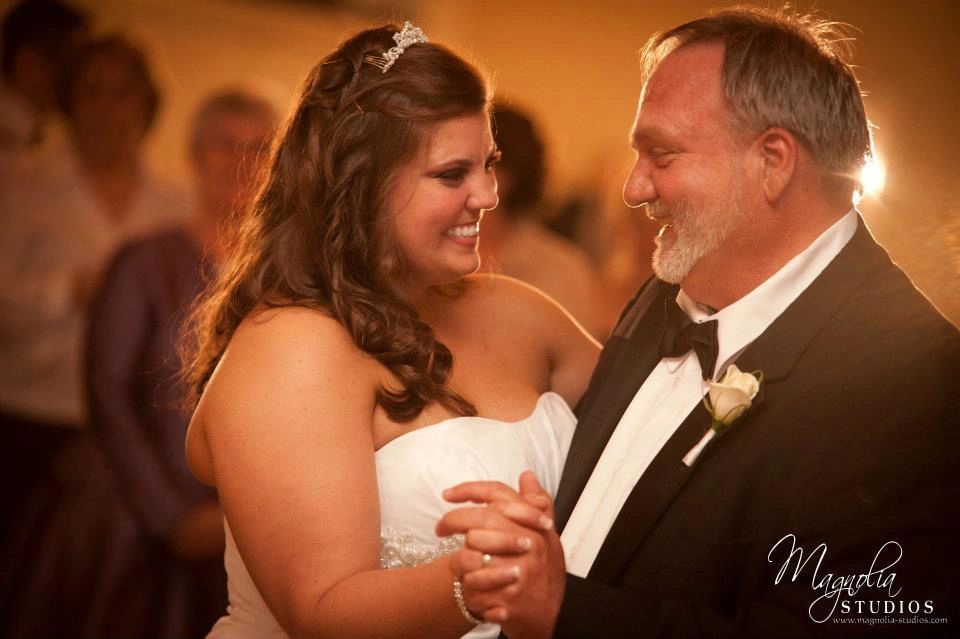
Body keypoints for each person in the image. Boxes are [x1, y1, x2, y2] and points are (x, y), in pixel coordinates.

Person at [438, 6, 960, 638]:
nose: (633, 190)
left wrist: (565, 611)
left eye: (661, 155)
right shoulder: (669, 288)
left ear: (773, 162)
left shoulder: (920, 388)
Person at [182, 23, 599, 639]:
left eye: (489, 164)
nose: (487, 195)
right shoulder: (291, 347)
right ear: (363, 186)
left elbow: (647, 438)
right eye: (452, 174)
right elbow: (320, 611)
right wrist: (480, 577)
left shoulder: (519, 310)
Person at [0, 33, 183, 565]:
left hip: (137, 431)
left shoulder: (175, 202)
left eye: (123, 93)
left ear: (146, 106)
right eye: (92, 92)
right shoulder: (18, 185)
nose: (107, 109)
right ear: (68, 101)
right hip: (32, 412)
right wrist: (70, 289)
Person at [479, 104, 605, 338]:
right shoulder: (428, 261)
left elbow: (584, 367)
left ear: (505, 176)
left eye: (483, 165)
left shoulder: (561, 269)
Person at [0, 0, 88, 154]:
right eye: (71, 62)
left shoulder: (39, 138)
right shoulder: (8, 143)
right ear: (28, 62)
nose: (81, 77)